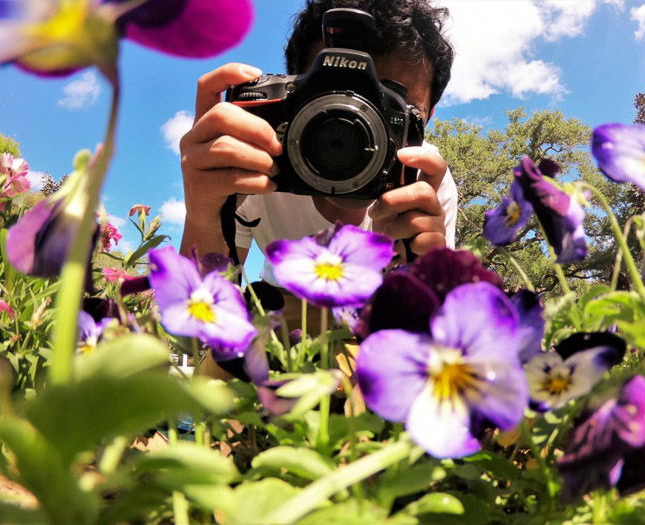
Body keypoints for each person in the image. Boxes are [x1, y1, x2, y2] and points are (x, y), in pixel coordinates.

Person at [180, 0, 456, 376]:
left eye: (390, 105)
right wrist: (205, 213)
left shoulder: (424, 179)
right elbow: (195, 332)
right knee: (215, 378)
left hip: (371, 324)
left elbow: (430, 341)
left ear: (426, 118)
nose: (354, 124)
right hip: (277, 315)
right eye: (330, 96)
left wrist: (419, 271)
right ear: (293, 92)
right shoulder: (255, 161)